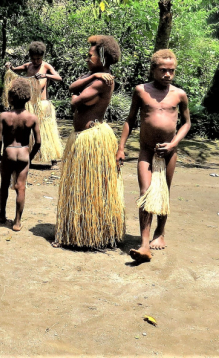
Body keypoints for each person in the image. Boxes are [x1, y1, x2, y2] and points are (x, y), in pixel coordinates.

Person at [117, 49, 190, 263]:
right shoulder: (141, 91)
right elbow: (130, 120)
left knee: (164, 192)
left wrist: (173, 144)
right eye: (163, 70)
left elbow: (186, 123)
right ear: (153, 70)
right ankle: (144, 243)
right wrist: (121, 148)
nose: (167, 75)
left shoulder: (179, 94)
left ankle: (161, 232)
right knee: (146, 192)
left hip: (169, 152)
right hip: (147, 150)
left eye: (171, 71)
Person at [54, 35, 125, 249]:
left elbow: (77, 98)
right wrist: (89, 77)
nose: (87, 57)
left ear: (102, 57)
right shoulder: (95, 76)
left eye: (91, 55)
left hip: (92, 139)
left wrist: (77, 97)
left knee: (92, 188)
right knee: (79, 187)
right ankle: (78, 231)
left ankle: (96, 233)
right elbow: (72, 88)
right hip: (82, 139)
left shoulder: (104, 81)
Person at [3, 41, 63, 165]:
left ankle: (52, 157)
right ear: (30, 57)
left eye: (39, 59)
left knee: (46, 131)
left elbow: (59, 78)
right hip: (31, 104)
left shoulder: (45, 66)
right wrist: (9, 67)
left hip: (42, 104)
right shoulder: (28, 66)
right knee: (29, 131)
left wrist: (45, 75)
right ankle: (27, 155)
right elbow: (14, 70)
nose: (36, 61)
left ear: (43, 57)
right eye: (34, 58)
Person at [0, 78, 41, 232]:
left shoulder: (5, 116)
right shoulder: (32, 118)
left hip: (9, 152)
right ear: (28, 97)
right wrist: (30, 157)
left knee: (4, 184)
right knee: (21, 187)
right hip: (23, 153)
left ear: (11, 97)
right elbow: (38, 142)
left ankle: (2, 214)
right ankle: (17, 222)